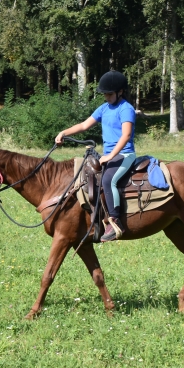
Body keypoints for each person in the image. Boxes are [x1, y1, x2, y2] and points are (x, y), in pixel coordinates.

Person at [55, 70, 136, 242]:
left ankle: (115, 223)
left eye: (109, 93)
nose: (106, 96)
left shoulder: (126, 109)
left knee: (108, 180)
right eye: (105, 94)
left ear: (120, 92)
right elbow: (85, 125)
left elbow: (126, 136)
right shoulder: (104, 108)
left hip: (124, 154)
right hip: (110, 155)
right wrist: (64, 132)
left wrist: (111, 155)